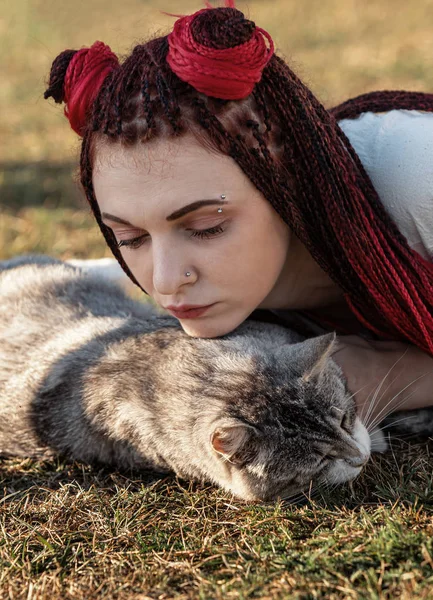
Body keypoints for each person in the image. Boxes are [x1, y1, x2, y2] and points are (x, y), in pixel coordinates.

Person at [44, 1, 433, 426]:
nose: (165, 280)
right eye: (132, 238)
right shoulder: (234, 288)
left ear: (287, 178)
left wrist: (403, 376)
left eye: (206, 228)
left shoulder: (414, 178)